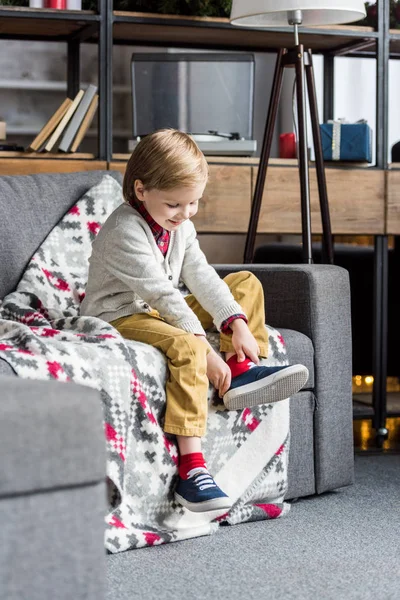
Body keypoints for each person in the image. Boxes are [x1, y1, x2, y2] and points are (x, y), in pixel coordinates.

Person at [80, 129, 309, 513]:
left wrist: (234, 322)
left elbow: (201, 275)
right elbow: (163, 297)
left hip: (156, 308)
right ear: (140, 190)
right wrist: (205, 351)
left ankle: (242, 371)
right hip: (122, 314)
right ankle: (192, 471)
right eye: (175, 204)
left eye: (193, 203)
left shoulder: (179, 225)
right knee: (186, 346)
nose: (185, 213)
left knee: (244, 284)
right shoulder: (123, 231)